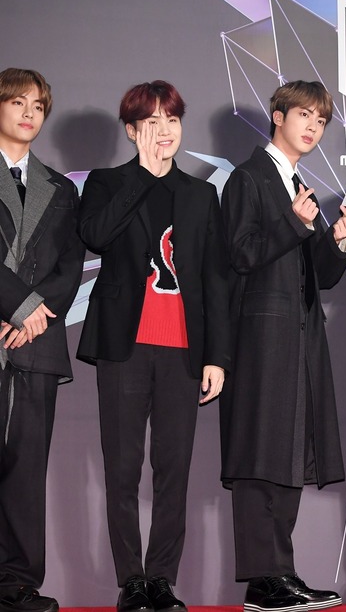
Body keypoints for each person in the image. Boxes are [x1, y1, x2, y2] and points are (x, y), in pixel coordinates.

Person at [76, 80, 231, 612]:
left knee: (174, 471)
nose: (164, 131)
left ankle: (162, 579)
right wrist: (142, 175)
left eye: (172, 119)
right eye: (151, 122)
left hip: (183, 349)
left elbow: (215, 280)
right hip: (125, 346)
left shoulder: (200, 195)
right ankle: (131, 582)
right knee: (121, 470)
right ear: (131, 131)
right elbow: (95, 235)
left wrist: (216, 357)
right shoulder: (106, 183)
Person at [220, 79, 346, 612]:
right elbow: (240, 254)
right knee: (260, 454)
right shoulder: (247, 178)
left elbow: (321, 275)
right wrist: (295, 224)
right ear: (278, 116)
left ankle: (279, 573)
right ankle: (263, 579)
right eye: (304, 116)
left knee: (291, 453)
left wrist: (337, 241)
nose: (313, 128)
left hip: (302, 336)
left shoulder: (301, 188)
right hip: (259, 337)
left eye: (321, 121)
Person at [0, 68, 84, 612]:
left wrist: (33, 315)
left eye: (38, 105)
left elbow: (70, 266)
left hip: (36, 342)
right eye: (17, 102)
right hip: (16, 320)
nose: (29, 112)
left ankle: (16, 586)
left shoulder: (61, 188)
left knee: (26, 473)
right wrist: (19, 305)